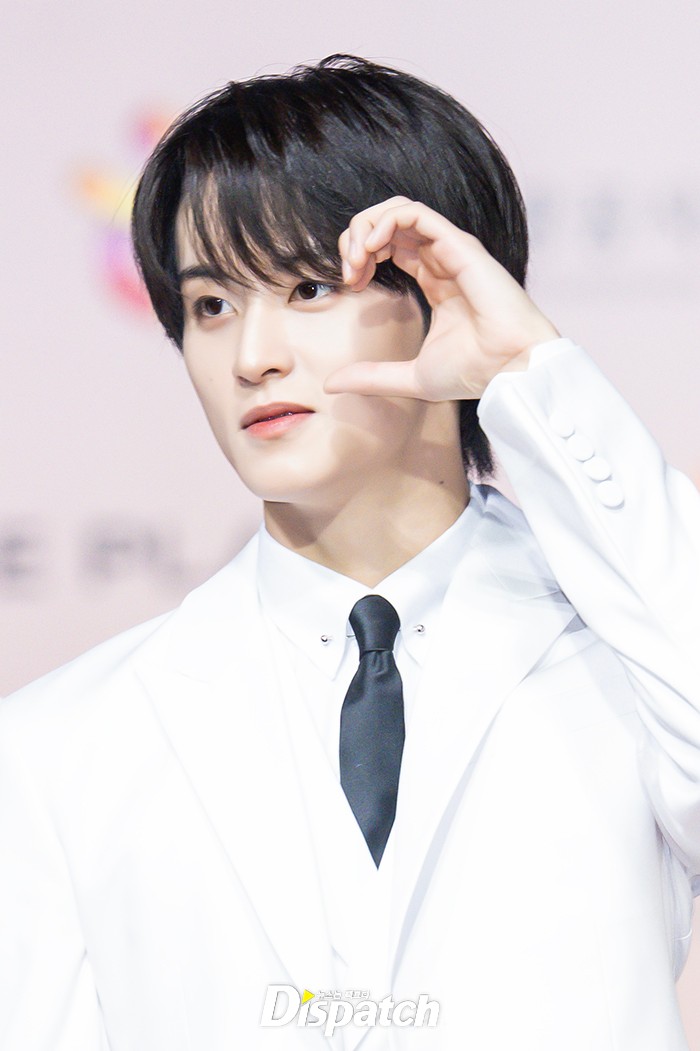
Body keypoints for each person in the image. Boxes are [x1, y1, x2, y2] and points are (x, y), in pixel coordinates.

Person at [1, 53, 699, 1051]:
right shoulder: (60, 745)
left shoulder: (634, 663)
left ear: (443, 292)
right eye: (210, 305)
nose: (253, 357)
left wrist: (528, 373)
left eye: (308, 286)